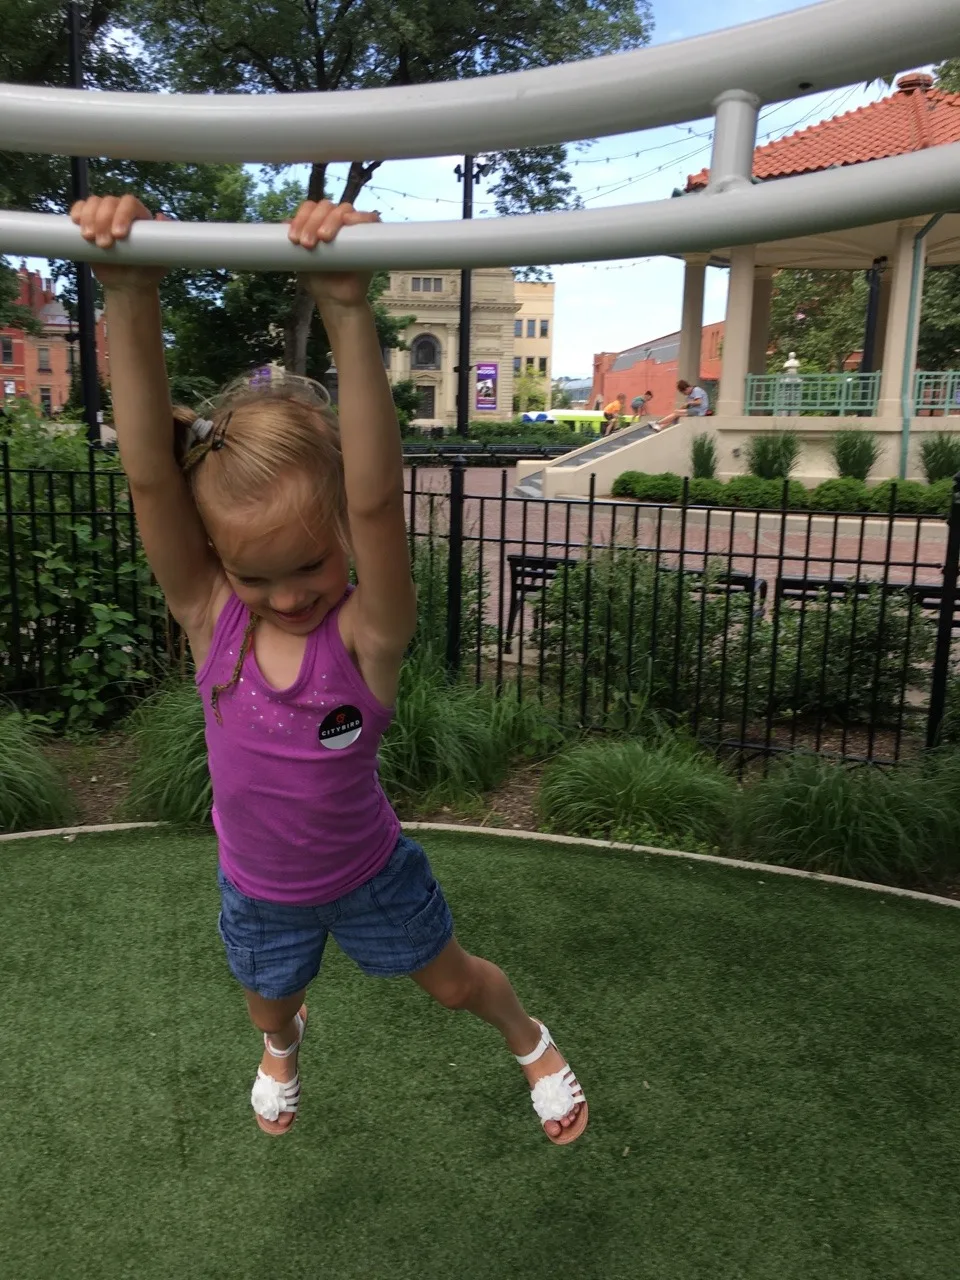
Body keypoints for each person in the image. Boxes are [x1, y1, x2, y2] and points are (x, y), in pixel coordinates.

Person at [72, 192, 587, 1145]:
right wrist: (130, 292)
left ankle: (530, 1038)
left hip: (369, 872)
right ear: (222, 568)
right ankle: (283, 1043)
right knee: (269, 1005)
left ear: (342, 542)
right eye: (254, 574)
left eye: (309, 564)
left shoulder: (365, 637)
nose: (288, 595)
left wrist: (349, 308)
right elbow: (148, 474)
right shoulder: (211, 619)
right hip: (256, 883)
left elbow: (379, 500)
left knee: (452, 985)